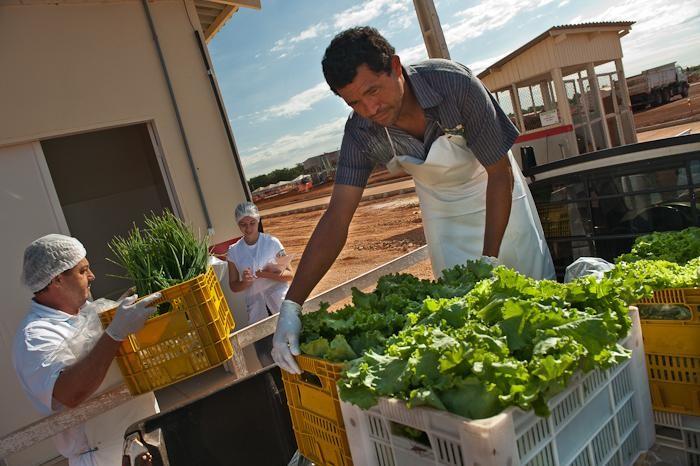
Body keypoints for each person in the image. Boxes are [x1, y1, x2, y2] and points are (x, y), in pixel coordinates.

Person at [272, 26, 555, 373]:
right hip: (443, 214)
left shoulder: (454, 85)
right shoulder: (362, 133)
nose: (370, 109)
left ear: (394, 66)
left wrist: (489, 261)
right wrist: (292, 306)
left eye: (372, 91)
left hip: (498, 201)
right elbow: (336, 218)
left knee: (533, 307)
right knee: (470, 328)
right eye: (354, 103)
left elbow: (498, 174)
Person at [12, 234, 161, 465]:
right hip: (102, 455)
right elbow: (70, 393)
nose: (92, 276)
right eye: (83, 271)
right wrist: (114, 334)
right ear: (57, 280)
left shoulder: (87, 311)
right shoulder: (35, 336)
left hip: (145, 433)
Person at [227, 202, 293, 367]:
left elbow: (289, 274)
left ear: (258, 220)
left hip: (279, 304)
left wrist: (266, 274)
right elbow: (234, 285)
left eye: (252, 223)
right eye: (243, 224)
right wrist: (245, 282)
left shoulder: (272, 243)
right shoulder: (234, 251)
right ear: (238, 224)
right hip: (257, 310)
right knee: (266, 356)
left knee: (292, 349)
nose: (248, 228)